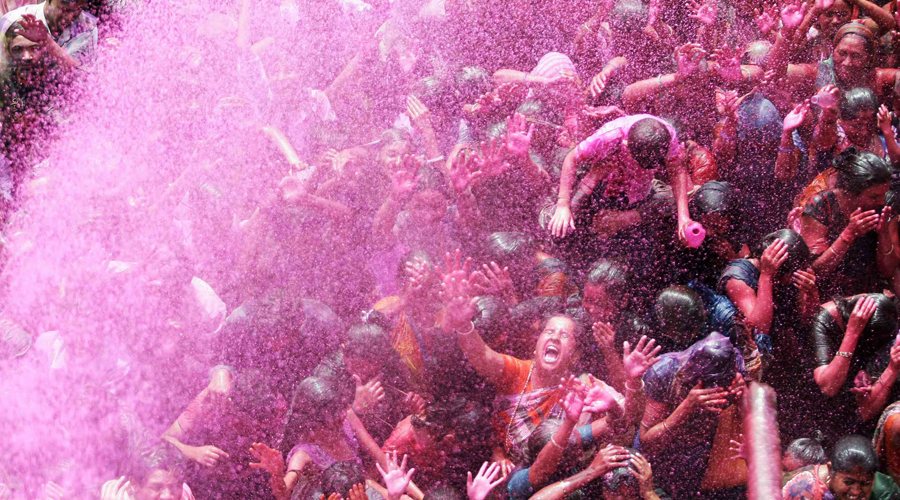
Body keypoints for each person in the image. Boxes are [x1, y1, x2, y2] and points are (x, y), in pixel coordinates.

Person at [438, 254, 659, 466]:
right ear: (535, 344)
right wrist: (463, 324)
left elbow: (631, 417)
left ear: (575, 356)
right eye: (549, 331)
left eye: (564, 335)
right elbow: (482, 356)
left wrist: (632, 382)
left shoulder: (584, 388)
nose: (554, 337)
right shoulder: (517, 371)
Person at [546, 113, 696, 246]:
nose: (642, 169)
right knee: (563, 229)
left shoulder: (667, 138)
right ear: (626, 145)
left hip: (638, 194)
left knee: (638, 242)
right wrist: (563, 204)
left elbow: (677, 170)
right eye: (639, 163)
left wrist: (683, 217)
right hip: (599, 184)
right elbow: (571, 158)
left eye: (650, 166)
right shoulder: (608, 137)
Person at [639, 332, 747, 497]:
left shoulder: (734, 366)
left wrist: (741, 395)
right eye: (709, 389)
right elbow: (647, 442)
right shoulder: (664, 372)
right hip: (662, 457)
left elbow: (753, 422)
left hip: (704, 459)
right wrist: (686, 407)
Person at [799, 149, 892, 297]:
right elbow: (815, 269)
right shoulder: (822, 205)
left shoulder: (881, 208)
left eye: (883, 195)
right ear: (850, 192)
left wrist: (884, 233)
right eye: (874, 197)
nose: (881, 201)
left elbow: (888, 271)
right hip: (828, 299)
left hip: (868, 298)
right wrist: (849, 234)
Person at [809, 294, 899, 440]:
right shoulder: (825, 320)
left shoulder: (885, 318)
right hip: (824, 395)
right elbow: (828, 387)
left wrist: (871, 376)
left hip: (866, 396)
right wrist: (852, 333)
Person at [782, 434, 900, 499]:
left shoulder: (885, 491)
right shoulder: (803, 490)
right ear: (831, 470)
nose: (856, 492)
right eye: (849, 482)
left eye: (865, 484)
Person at [0, 0, 97, 71]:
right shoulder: (10, 21)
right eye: (64, 9)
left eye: (77, 10)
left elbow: (84, 78)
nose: (69, 17)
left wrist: (48, 42)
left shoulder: (88, 28)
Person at [100, 446, 195, 500]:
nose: (167, 496)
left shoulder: (184, 495)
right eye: (157, 487)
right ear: (134, 484)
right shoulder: (112, 496)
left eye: (174, 487)